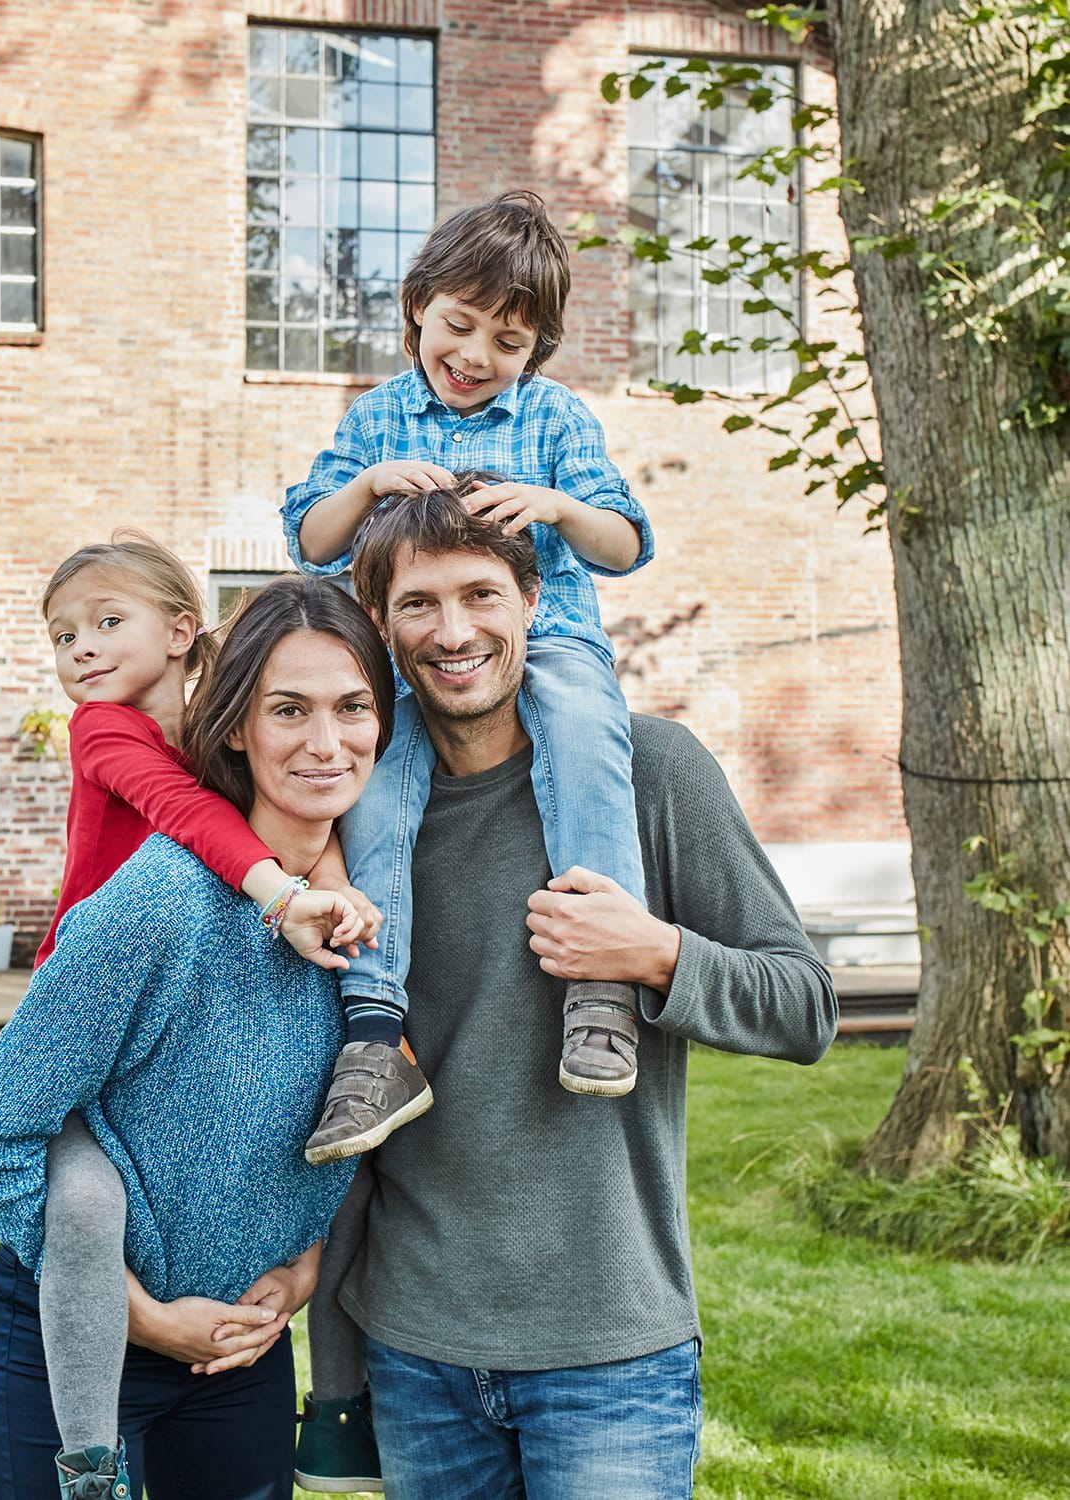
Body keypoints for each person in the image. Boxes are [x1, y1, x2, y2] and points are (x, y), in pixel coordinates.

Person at [294, 479, 839, 1498]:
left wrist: (656, 954)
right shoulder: (356, 811)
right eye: (419, 604)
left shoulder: (652, 774)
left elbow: (804, 1007)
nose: (453, 631)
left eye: (481, 595)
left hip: (610, 1345)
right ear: (380, 621)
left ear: (534, 603)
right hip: (415, 1343)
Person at [0, 573, 395, 1500]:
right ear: (232, 727)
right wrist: (138, 1315)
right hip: (79, 1342)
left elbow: (354, 1119)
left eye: (353, 707)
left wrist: (303, 1263)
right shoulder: (156, 905)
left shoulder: (373, 919)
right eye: (288, 710)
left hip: (241, 1353)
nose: (325, 742)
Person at [282, 189, 656, 1167]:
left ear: (539, 350)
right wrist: (365, 488)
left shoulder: (556, 419)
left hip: (552, 639)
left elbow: (623, 543)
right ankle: (373, 1032)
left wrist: (559, 507)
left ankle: (599, 984)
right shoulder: (378, 419)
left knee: (582, 731)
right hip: (409, 666)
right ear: (418, 307)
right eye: (459, 324)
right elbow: (310, 540)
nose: (478, 355)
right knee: (380, 786)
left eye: (510, 339)